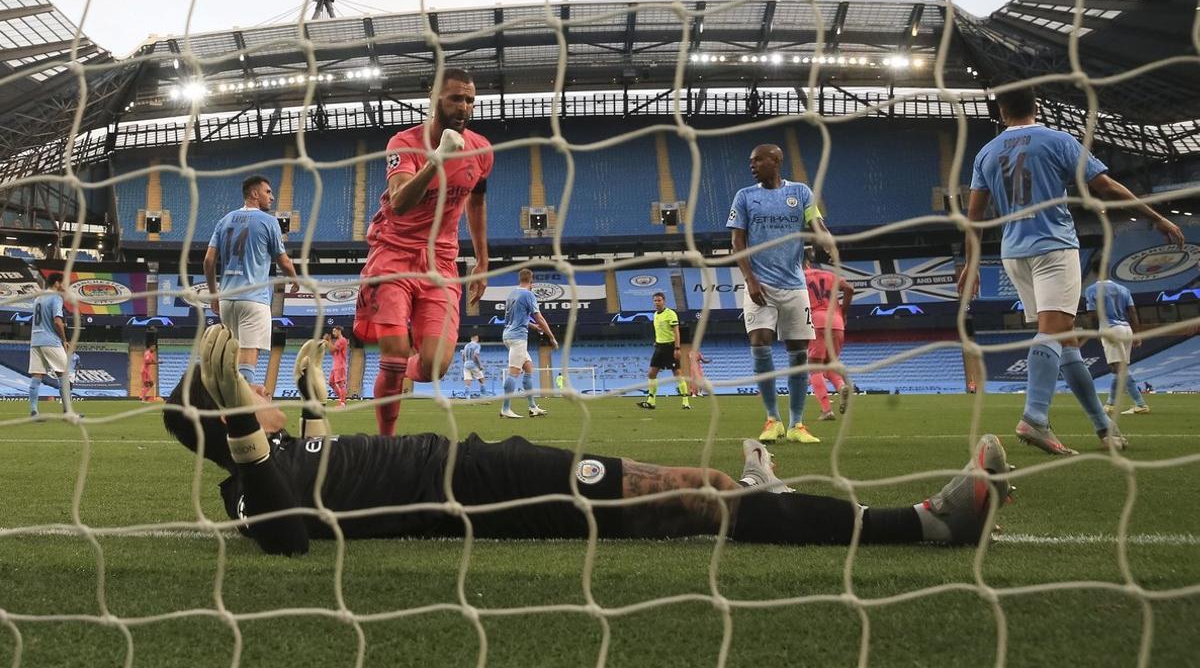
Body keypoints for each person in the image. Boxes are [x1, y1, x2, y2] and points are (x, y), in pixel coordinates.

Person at [160, 325, 1014, 557]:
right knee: (694, 496)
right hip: (491, 494)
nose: (260, 396)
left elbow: (314, 462)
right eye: (245, 395)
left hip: (485, 464)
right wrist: (246, 432)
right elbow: (287, 539)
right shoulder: (247, 489)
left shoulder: (275, 457)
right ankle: (924, 526)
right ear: (226, 427)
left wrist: (313, 402)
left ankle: (767, 495)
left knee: (696, 487)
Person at [959, 86, 1182, 454]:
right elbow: (1104, 185)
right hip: (1053, 247)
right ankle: (1034, 417)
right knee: (1053, 332)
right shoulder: (1058, 139)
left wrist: (970, 262)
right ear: (1035, 106)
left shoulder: (985, 153)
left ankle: (1103, 426)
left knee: (1066, 340)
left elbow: (973, 217)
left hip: (1013, 253)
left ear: (1001, 111)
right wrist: (1155, 216)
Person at [354, 68, 493, 436]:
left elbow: (476, 204)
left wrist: (482, 258)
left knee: (434, 368)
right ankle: (386, 442)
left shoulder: (481, 151)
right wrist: (438, 160)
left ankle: (410, 363)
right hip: (393, 255)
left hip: (441, 264)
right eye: (456, 99)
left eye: (470, 100)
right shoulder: (404, 142)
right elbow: (399, 203)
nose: (464, 107)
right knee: (394, 352)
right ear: (435, 101)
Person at [728, 144, 830, 444]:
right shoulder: (745, 196)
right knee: (759, 341)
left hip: (794, 285)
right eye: (751, 160)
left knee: (798, 350)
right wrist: (750, 280)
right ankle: (772, 419)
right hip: (760, 284)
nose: (752, 164)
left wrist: (827, 242)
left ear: (776, 161)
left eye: (758, 159)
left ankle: (797, 424)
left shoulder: (801, 193)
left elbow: (817, 223)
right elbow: (737, 241)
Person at [204, 174, 298, 390]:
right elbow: (282, 259)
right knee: (248, 354)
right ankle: (242, 412)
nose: (272, 197)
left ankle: (228, 405)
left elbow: (209, 260)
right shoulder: (269, 221)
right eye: (268, 192)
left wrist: (213, 293)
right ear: (255, 194)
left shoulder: (224, 220)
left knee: (232, 355)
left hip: (227, 300)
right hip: (253, 300)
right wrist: (294, 277)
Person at [1084, 279, 1149, 415]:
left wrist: (1096, 332)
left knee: (1119, 368)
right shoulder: (1123, 289)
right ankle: (1110, 403)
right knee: (1117, 367)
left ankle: (1140, 403)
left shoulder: (1091, 289)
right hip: (1126, 329)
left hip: (1110, 329)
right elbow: (1133, 312)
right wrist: (1136, 334)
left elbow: (1092, 316)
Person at [804, 250, 855, 419]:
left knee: (815, 368)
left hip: (817, 321)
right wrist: (844, 313)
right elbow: (849, 288)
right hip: (837, 322)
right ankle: (841, 387)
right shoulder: (830, 275)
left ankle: (826, 410)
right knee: (830, 363)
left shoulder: (801, 276)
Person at [500, 269, 557, 418]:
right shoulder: (528, 294)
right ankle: (505, 409)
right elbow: (539, 318)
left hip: (508, 334)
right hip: (518, 337)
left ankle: (532, 407)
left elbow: (515, 318)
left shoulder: (512, 294)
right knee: (514, 372)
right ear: (532, 281)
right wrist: (551, 336)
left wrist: (533, 327)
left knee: (529, 368)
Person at [27, 272, 75, 419]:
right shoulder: (56, 297)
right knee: (64, 374)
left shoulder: (38, 298)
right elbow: (57, 321)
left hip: (35, 340)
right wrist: (65, 340)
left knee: (37, 375)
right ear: (56, 283)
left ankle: (34, 411)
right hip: (50, 340)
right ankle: (68, 412)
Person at [640, 292, 691, 411]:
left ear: (664, 301)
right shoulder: (655, 315)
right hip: (659, 347)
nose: (657, 303)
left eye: (659, 300)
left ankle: (685, 401)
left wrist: (677, 348)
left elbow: (676, 332)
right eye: (655, 301)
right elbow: (659, 331)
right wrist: (656, 341)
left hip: (670, 347)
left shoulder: (671, 314)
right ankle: (651, 401)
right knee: (651, 373)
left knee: (677, 373)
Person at [325, 326, 349, 407]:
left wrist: (328, 341)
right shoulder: (338, 341)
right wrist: (329, 342)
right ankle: (342, 400)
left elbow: (332, 350)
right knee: (331, 383)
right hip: (335, 364)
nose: (333, 333)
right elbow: (332, 352)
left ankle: (342, 403)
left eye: (334, 331)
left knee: (340, 384)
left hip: (340, 365)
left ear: (339, 331)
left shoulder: (342, 340)